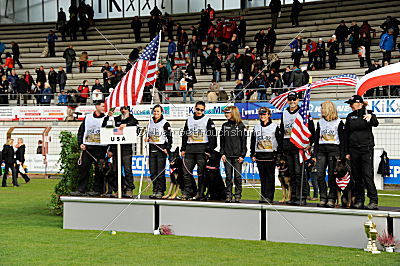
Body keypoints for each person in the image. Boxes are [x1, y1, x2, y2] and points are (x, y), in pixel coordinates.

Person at [279, 91, 315, 205]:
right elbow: (282, 129)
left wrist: (309, 143)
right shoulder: (284, 112)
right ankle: (293, 196)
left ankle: (302, 196)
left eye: (294, 99)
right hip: (288, 147)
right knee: (292, 174)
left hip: (299, 147)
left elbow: (311, 129)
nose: (292, 101)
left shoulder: (303, 112)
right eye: (290, 99)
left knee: (300, 173)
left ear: (298, 100)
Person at [344, 95, 379, 210]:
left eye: (352, 103)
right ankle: (360, 200)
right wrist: (347, 151)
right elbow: (346, 135)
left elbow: (375, 123)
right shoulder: (350, 116)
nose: (350, 105)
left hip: (366, 148)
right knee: (356, 176)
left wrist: (371, 117)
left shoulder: (368, 113)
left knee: (367, 175)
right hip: (354, 149)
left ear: (358, 103)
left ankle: (373, 200)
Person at [181, 101, 217, 201]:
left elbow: (213, 137)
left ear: (204, 110)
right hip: (189, 150)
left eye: (202, 110)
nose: (199, 111)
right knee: (186, 172)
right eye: (198, 109)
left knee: (201, 174)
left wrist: (209, 150)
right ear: (194, 108)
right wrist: (183, 148)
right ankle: (188, 191)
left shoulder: (208, 120)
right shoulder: (188, 120)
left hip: (202, 151)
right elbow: (184, 135)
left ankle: (200, 193)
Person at [71, 101, 107, 196]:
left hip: (100, 148)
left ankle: (97, 190)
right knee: (84, 169)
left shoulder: (107, 118)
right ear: (97, 106)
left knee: (99, 170)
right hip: (87, 148)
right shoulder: (88, 117)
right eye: (103, 106)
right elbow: (81, 132)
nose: (104, 108)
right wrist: (80, 143)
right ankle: (81, 189)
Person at [313, 101, 345, 208]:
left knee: (332, 176)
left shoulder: (339, 122)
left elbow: (342, 140)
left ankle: (332, 198)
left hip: (334, 150)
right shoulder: (320, 122)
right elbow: (316, 139)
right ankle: (323, 197)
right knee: (320, 175)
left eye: (322, 108)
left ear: (328, 109)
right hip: (321, 150)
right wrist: (314, 154)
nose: (321, 111)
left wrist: (342, 155)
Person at [102, 106, 138, 198]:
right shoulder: (116, 119)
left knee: (127, 170)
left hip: (126, 149)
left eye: (125, 108)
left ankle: (129, 189)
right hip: (115, 149)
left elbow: (136, 126)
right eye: (121, 108)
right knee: (115, 170)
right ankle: (119, 189)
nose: (123, 110)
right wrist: (108, 117)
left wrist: (127, 124)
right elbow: (106, 128)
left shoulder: (132, 119)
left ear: (129, 110)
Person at [251, 107, 281, 203]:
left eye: (264, 114)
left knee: (270, 177)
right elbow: (253, 141)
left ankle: (270, 197)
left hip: (270, 155)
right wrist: (252, 154)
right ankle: (263, 196)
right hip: (259, 155)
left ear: (269, 115)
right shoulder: (256, 127)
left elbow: (279, 142)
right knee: (262, 178)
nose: (262, 116)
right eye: (261, 114)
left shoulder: (274, 126)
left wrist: (278, 156)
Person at [220, 106, 247, 203]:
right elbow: (222, 141)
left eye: (228, 112)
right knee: (228, 177)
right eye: (225, 112)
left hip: (237, 157)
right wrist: (222, 153)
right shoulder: (224, 125)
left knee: (238, 177)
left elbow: (244, 142)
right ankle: (228, 195)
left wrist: (242, 155)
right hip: (227, 156)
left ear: (233, 113)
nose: (226, 114)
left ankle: (238, 195)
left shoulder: (241, 126)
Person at [145, 105, 172, 199]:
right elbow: (148, 134)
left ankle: (160, 190)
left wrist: (167, 148)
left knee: (160, 171)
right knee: (153, 171)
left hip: (161, 149)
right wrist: (147, 138)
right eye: (155, 111)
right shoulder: (150, 122)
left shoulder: (165, 123)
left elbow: (169, 137)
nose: (156, 113)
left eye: (158, 111)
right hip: (152, 149)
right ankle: (155, 189)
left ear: (161, 112)